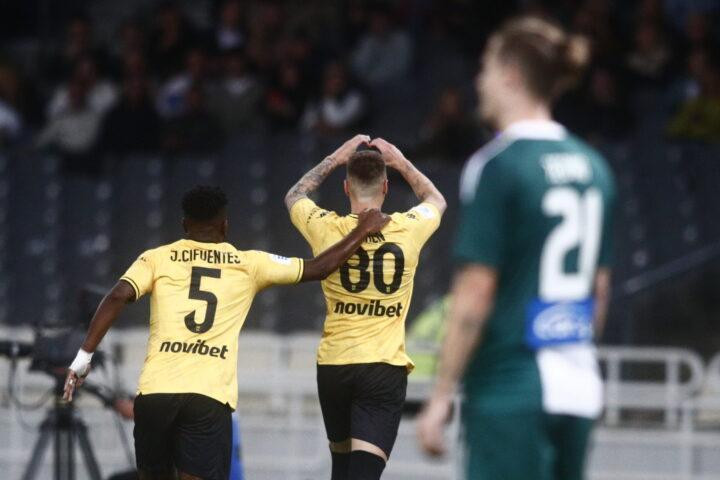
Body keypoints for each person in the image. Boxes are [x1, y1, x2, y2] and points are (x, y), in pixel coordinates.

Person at [62, 185, 390, 480]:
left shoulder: (156, 258)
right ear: (225, 226)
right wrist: (363, 229)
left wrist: (83, 356)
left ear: (184, 225)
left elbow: (118, 295)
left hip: (155, 396)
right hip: (208, 399)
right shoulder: (248, 264)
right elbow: (320, 267)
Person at [417, 16, 616, 480]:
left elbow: (475, 293)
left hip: (510, 389)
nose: (479, 81)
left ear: (509, 74)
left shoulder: (499, 166)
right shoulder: (594, 166)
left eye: (485, 68)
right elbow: (600, 292)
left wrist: (441, 394)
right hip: (579, 389)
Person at [285, 135, 446, 480]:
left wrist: (334, 157)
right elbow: (436, 199)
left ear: (346, 188)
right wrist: (401, 161)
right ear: (386, 186)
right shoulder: (408, 228)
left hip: (335, 366)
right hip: (382, 368)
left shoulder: (325, 227)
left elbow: (295, 195)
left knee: (342, 471)